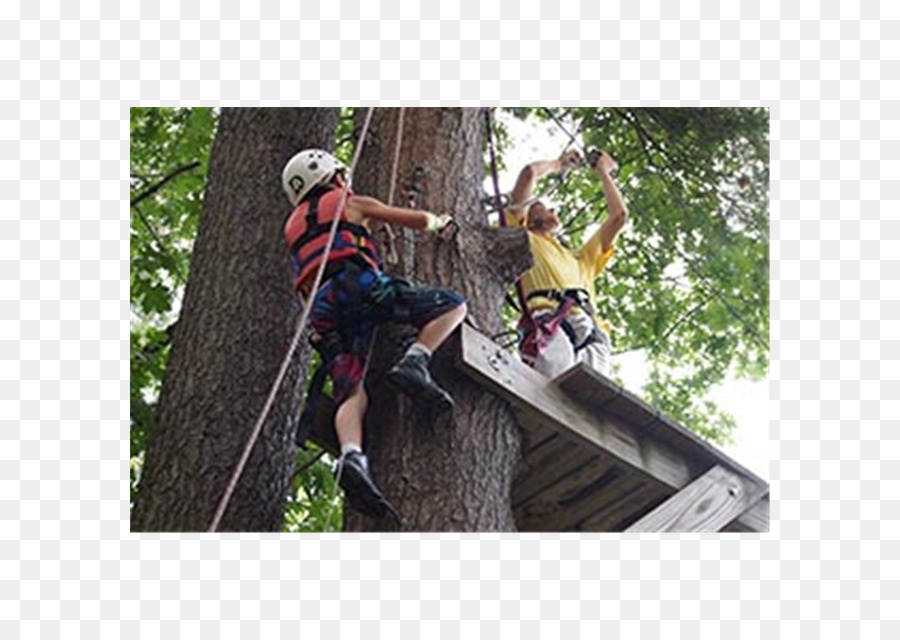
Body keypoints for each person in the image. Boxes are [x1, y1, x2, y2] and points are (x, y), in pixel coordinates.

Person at [281, 149, 467, 521]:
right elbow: (411, 219)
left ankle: (352, 454)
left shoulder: (294, 226)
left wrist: (319, 333)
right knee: (452, 305)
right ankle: (416, 361)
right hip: (360, 285)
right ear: (333, 177)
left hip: (322, 309)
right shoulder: (350, 202)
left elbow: (305, 282)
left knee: (351, 389)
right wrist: (439, 222)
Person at [506, 149, 628, 379]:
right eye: (542, 206)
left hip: (591, 328)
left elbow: (619, 216)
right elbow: (529, 174)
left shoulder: (582, 260)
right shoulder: (522, 237)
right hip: (549, 318)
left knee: (588, 401)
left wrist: (603, 171)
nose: (552, 209)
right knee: (551, 389)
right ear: (529, 216)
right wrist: (558, 164)